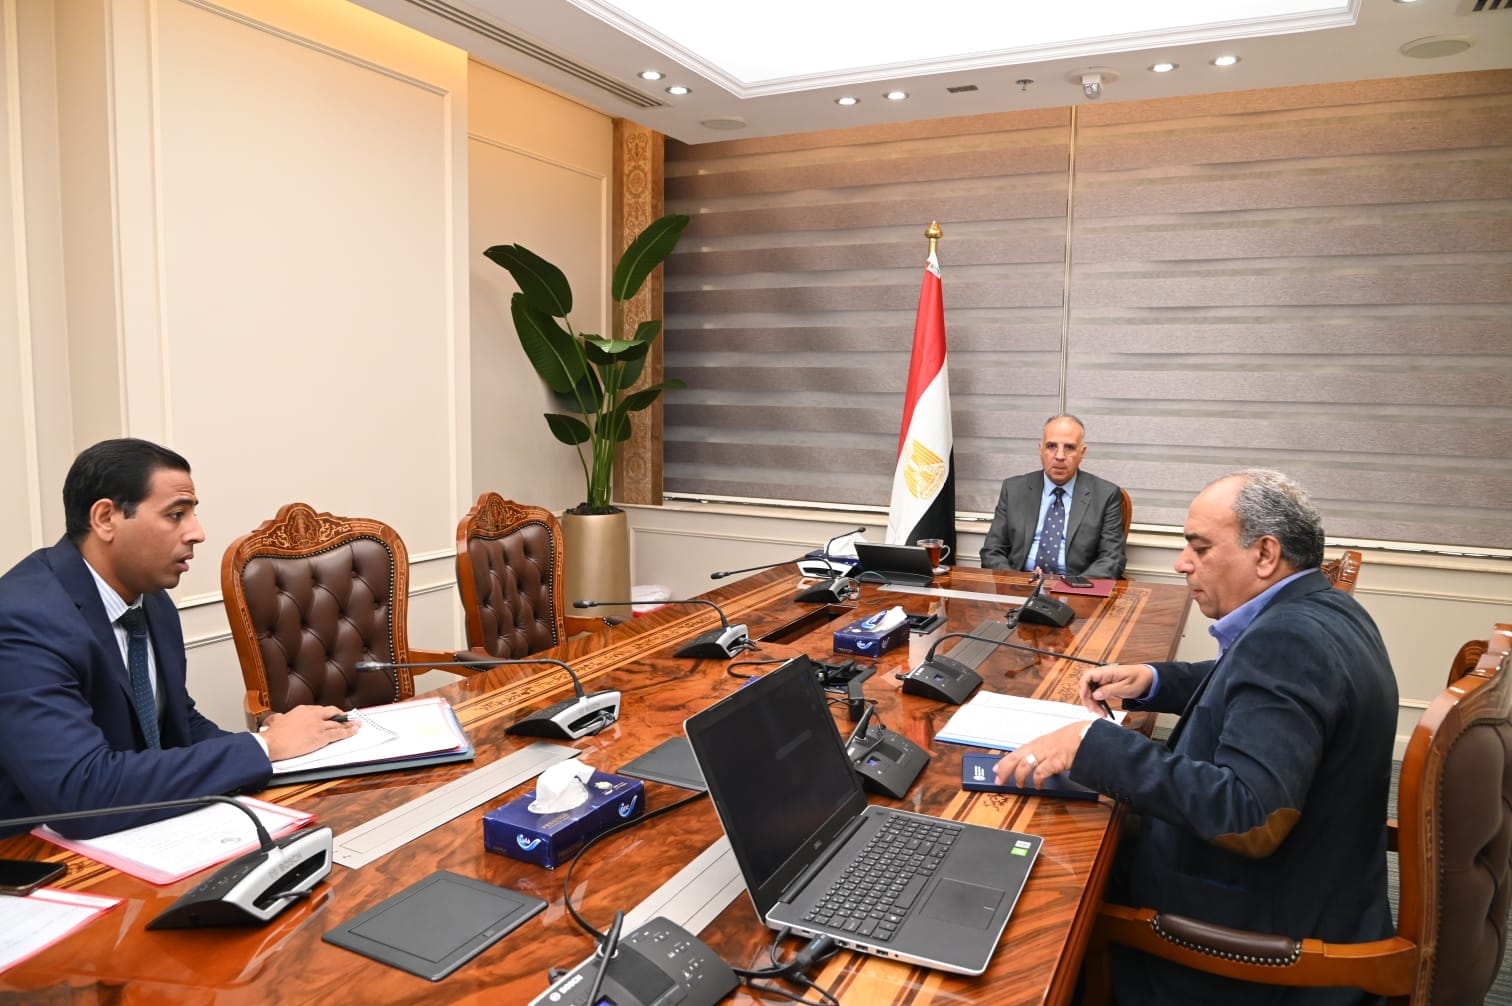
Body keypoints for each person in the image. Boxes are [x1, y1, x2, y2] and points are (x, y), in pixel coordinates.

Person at [995, 469, 1397, 1006]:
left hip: (1262, 948)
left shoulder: (1287, 643)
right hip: (1318, 890)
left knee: (1041, 894)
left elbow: (1251, 816)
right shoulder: (1323, 609)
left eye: (1200, 548)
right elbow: (1252, 689)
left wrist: (1092, 744)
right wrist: (1154, 681)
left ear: (1265, 554)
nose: (1182, 563)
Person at [0, 438, 357, 838]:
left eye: (192, 513)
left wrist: (277, 744)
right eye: (175, 514)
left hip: (138, 827)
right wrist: (264, 748)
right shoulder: (22, 619)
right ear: (105, 518)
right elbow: (81, 792)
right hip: (35, 851)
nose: (197, 533)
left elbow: (176, 723)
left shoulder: (152, 600)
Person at [979, 414, 1127, 578]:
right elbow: (992, 551)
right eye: (1051, 446)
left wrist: (1073, 586)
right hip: (1019, 584)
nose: (1060, 456)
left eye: (1069, 447)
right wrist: (1016, 582)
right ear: (1040, 449)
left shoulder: (1105, 495)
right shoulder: (1014, 489)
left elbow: (1112, 558)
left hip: (1076, 587)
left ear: (1082, 452)